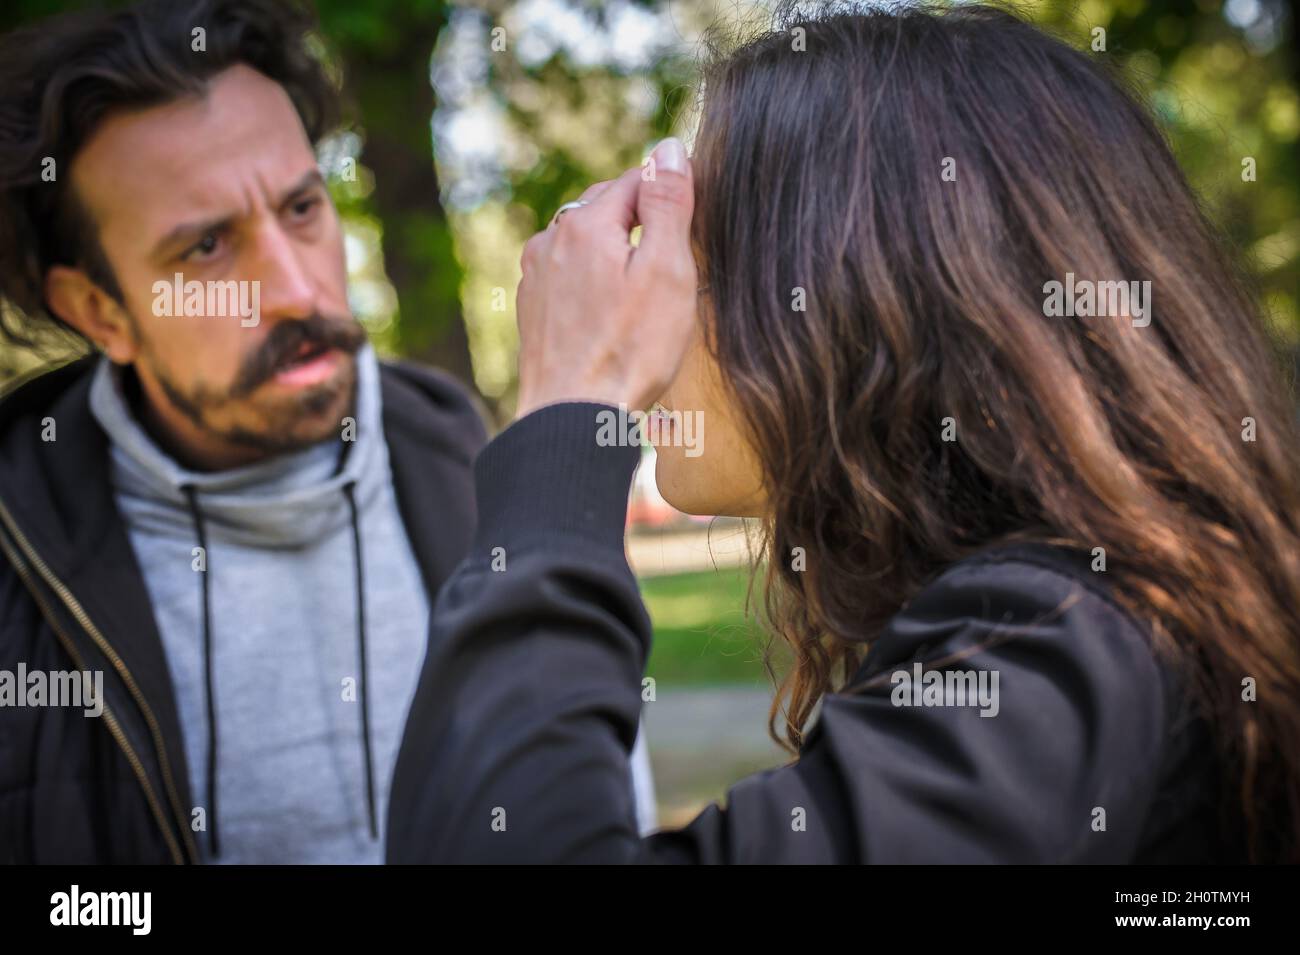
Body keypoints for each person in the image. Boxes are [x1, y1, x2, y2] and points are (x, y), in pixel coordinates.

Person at [386, 4, 1300, 863]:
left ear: (854, 304)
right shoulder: (1091, 626)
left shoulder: (1063, 651)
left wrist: (564, 420)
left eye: (691, 255)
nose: (647, 310)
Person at [0, 0, 655, 865]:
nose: (295, 290)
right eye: (204, 248)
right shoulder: (20, 569)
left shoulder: (487, 471)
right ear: (99, 310)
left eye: (302, 207)